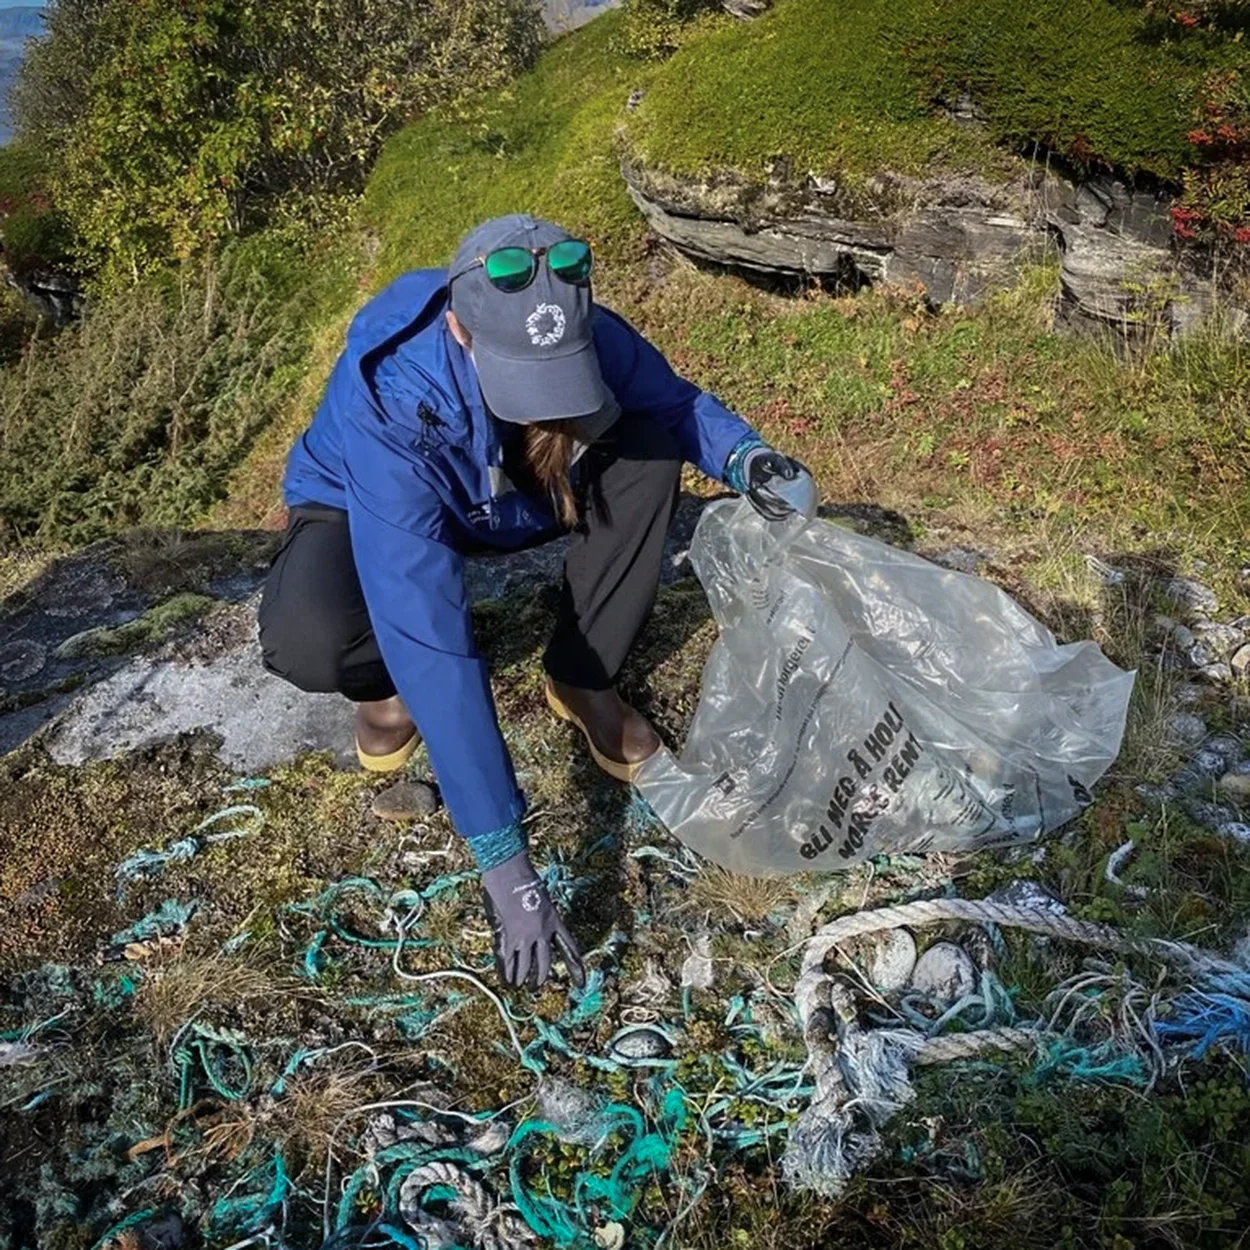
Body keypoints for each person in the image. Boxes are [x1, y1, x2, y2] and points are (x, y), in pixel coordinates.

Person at [259, 214, 816, 992]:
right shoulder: (389, 396)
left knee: (649, 447)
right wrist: (503, 859)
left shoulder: (579, 322)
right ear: (460, 329)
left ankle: (582, 675)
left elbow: (671, 403)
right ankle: (384, 692)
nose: (546, 399)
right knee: (308, 636)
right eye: (527, 376)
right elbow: (426, 626)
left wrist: (746, 455)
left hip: (506, 497)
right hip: (370, 502)